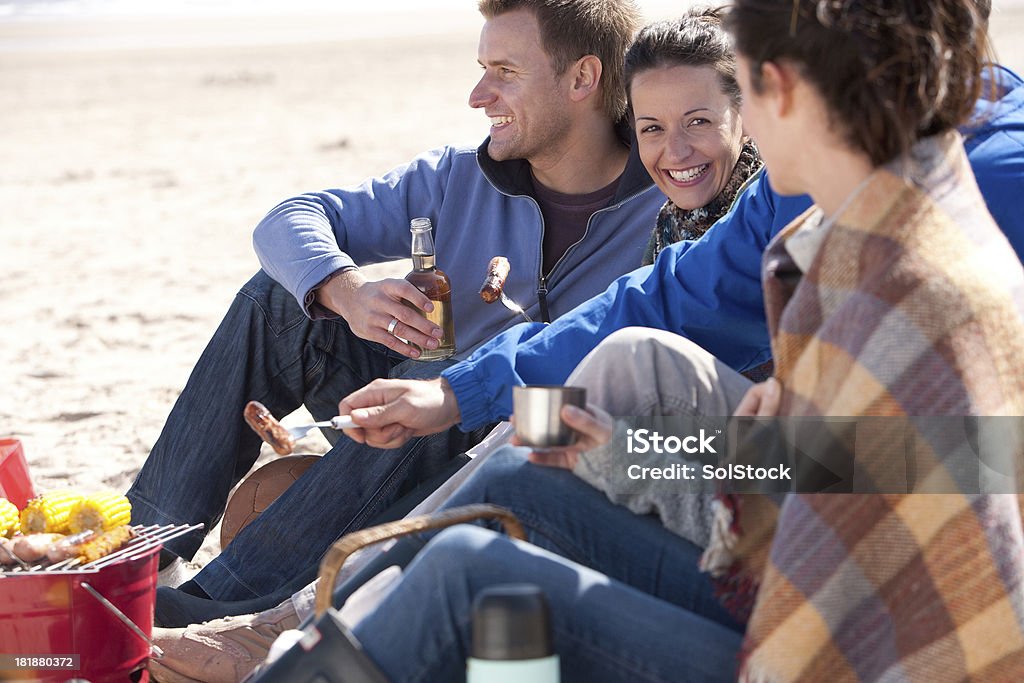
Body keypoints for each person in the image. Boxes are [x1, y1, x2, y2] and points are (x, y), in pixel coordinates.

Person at [161, 1, 1024, 680]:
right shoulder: (847, 204)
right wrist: (471, 397)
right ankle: (295, 623)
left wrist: (699, 452)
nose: (737, 130)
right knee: (545, 427)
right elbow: (667, 300)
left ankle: (299, 638)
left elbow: (958, 473)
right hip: (826, 519)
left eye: (741, 95)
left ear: (789, 91)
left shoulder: (922, 247)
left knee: (476, 568)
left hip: (845, 632)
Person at [129, 0, 670, 614]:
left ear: (582, 79)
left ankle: (214, 608)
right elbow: (290, 218)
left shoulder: (667, 203)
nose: (478, 94)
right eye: (480, 68)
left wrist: (464, 381)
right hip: (418, 415)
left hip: (539, 439)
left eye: (505, 73)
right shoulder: (455, 177)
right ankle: (147, 550)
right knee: (281, 299)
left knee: (441, 371)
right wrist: (346, 289)